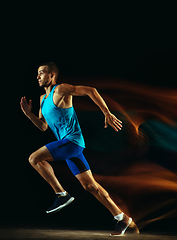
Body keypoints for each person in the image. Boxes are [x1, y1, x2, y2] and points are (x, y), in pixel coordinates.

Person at [20, 62, 137, 236]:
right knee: (91, 186)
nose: (38, 76)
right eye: (37, 73)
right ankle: (122, 218)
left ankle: (61, 194)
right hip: (67, 146)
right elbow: (44, 126)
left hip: (72, 142)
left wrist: (106, 112)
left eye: (42, 73)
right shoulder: (42, 99)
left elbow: (91, 91)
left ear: (52, 75)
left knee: (34, 158)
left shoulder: (61, 90)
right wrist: (29, 114)